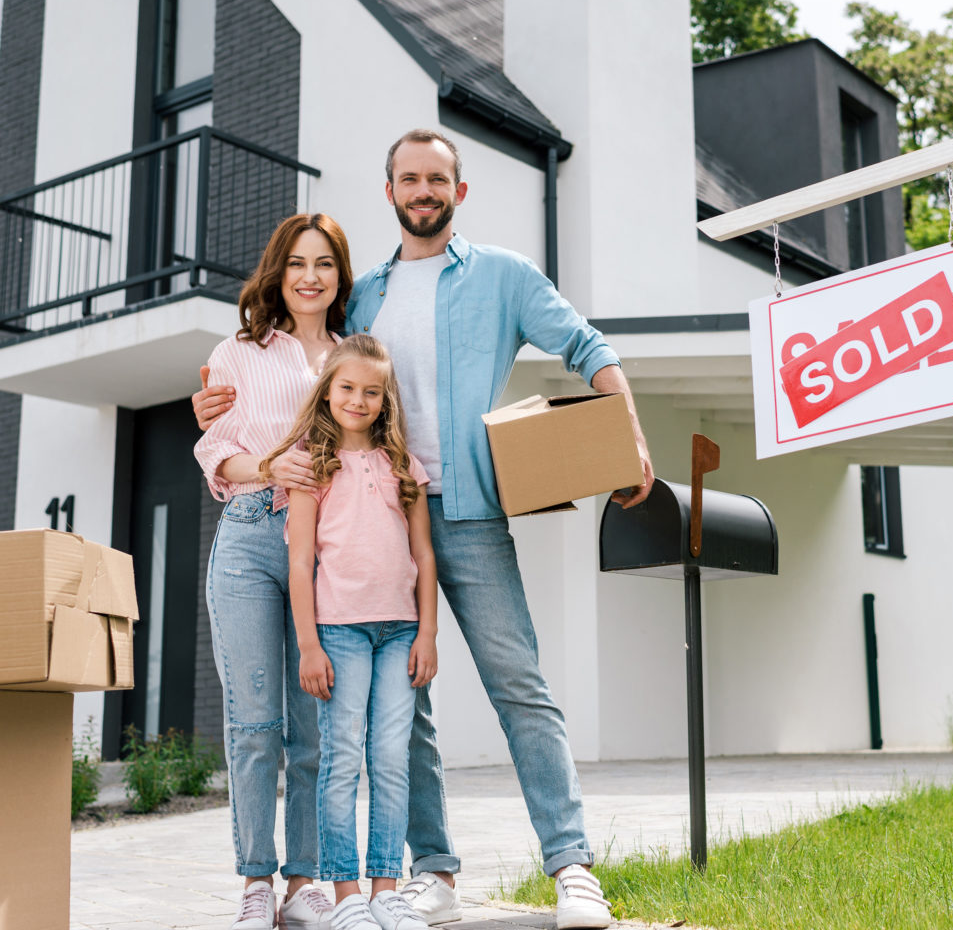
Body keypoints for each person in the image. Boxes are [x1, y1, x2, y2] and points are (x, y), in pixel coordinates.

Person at [195, 130, 654, 930]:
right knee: (403, 707)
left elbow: (586, 344)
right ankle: (431, 870)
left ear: (459, 191)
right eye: (409, 179)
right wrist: (216, 414)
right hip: (369, 514)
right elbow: (306, 389)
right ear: (390, 192)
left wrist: (630, 434)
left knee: (520, 685)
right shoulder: (362, 298)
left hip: (468, 511)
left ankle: (573, 867)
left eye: (437, 178)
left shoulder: (504, 275)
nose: (423, 190)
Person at [194, 213, 353, 930]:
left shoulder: (357, 359)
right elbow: (213, 452)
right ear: (277, 272)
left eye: (324, 263)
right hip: (251, 537)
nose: (310, 276)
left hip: (327, 545)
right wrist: (268, 464)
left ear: (340, 276)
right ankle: (256, 883)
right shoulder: (237, 352)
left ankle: (306, 884)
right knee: (255, 724)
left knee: (314, 729)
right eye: (297, 263)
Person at [267, 334, 439, 930]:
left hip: (400, 633)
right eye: (347, 388)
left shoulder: (403, 465)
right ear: (327, 390)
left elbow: (424, 553)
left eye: (372, 391)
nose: (359, 400)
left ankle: (386, 888)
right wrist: (308, 644)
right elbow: (299, 562)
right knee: (343, 760)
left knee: (391, 758)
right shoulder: (311, 464)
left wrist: (429, 633)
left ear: (385, 397)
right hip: (338, 631)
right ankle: (345, 897)